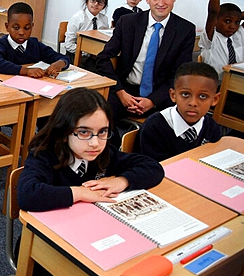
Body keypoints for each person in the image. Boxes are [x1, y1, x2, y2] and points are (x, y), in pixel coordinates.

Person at [17, 87, 164, 212]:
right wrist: (80, 193)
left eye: (102, 132)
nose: (95, 143)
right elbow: (27, 194)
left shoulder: (104, 154)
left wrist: (122, 181)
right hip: (47, 235)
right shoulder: (44, 156)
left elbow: (153, 167)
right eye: (83, 132)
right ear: (63, 132)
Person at [96, 0, 195, 122]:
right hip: (125, 89)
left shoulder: (185, 30)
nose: (161, 3)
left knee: (167, 127)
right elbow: (102, 58)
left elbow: (180, 75)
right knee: (98, 117)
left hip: (161, 94)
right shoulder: (127, 22)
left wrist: (152, 101)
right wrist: (121, 92)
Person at [139, 62, 223, 161]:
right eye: (185, 94)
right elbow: (155, 169)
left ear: (215, 100)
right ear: (173, 95)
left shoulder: (211, 127)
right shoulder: (154, 127)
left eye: (202, 96)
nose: (193, 103)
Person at [0, 2, 69, 77]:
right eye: (16, 28)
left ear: (32, 27)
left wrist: (61, 63)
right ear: (7, 27)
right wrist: (26, 71)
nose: (21, 32)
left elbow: (62, 57)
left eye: (27, 28)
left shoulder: (35, 44)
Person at [64, 0, 110, 64]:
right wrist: (88, 52)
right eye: (93, 0)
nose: (96, 4)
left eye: (100, 2)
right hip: (77, 55)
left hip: (96, 57)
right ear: (87, 2)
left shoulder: (104, 19)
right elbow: (68, 44)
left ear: (104, 6)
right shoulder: (78, 18)